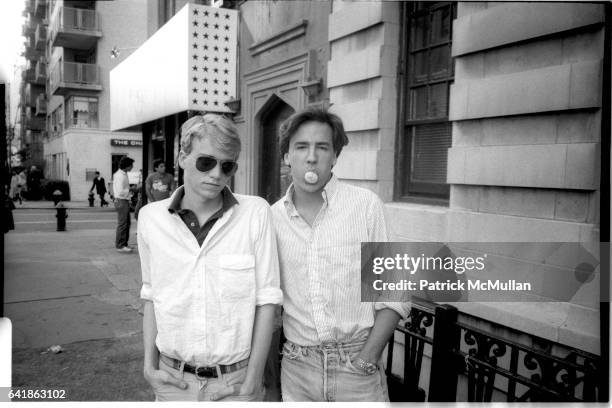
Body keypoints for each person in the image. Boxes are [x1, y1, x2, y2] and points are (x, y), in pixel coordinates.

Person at [137, 113, 282, 401]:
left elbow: (268, 300)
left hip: (236, 384)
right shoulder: (150, 218)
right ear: (182, 157)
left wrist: (252, 380)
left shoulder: (255, 213)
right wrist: (148, 366)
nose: (216, 174)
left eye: (227, 166)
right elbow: (152, 294)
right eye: (206, 162)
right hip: (172, 381)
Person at [270, 107, 409, 402]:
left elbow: (395, 292)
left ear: (335, 156)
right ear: (286, 156)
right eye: (301, 147)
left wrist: (367, 358)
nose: (311, 157)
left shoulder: (365, 206)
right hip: (298, 368)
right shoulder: (271, 219)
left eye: (322, 147)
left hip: (357, 367)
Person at [113, 156, 136, 253]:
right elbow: (120, 191)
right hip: (121, 200)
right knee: (123, 224)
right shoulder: (120, 176)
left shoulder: (122, 174)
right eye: (131, 165)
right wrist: (131, 189)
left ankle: (124, 243)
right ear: (127, 166)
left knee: (126, 223)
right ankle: (120, 245)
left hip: (123, 200)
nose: (132, 167)